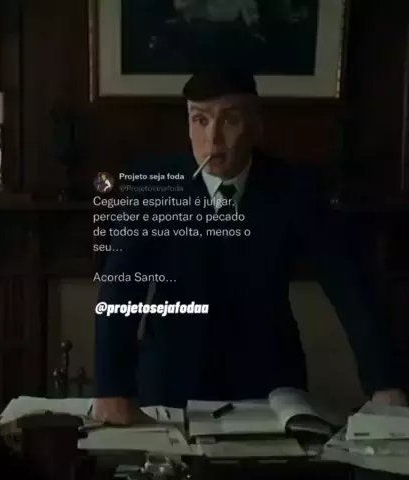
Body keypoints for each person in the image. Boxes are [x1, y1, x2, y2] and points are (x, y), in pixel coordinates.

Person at [93, 64, 407, 425]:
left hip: (269, 385)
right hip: (170, 382)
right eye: (200, 120)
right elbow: (120, 290)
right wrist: (112, 387)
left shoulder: (296, 188)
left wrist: (385, 382)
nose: (213, 139)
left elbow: (349, 284)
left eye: (229, 120)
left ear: (256, 126)